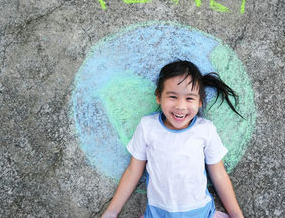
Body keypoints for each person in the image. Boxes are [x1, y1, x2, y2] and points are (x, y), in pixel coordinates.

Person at [102, 60, 244, 218]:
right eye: (172, 96)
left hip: (202, 214)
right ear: (158, 96)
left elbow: (219, 175)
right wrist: (111, 212)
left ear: (200, 102)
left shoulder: (205, 130)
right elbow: (133, 171)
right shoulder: (147, 127)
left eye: (189, 98)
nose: (180, 106)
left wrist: (236, 215)